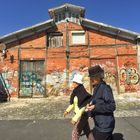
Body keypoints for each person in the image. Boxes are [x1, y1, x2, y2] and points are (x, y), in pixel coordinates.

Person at [86, 65, 116, 140]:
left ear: (99, 77)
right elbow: (97, 102)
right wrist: (90, 108)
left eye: (93, 77)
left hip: (105, 125)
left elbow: (112, 106)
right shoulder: (97, 87)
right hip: (100, 124)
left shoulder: (105, 88)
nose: (91, 79)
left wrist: (95, 107)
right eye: (91, 77)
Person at [64, 73, 94, 140]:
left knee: (75, 133)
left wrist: (75, 118)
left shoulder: (82, 93)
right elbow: (73, 103)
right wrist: (67, 110)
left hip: (82, 115)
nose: (72, 83)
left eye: (74, 82)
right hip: (79, 115)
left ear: (77, 83)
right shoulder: (75, 92)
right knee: (87, 131)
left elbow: (83, 107)